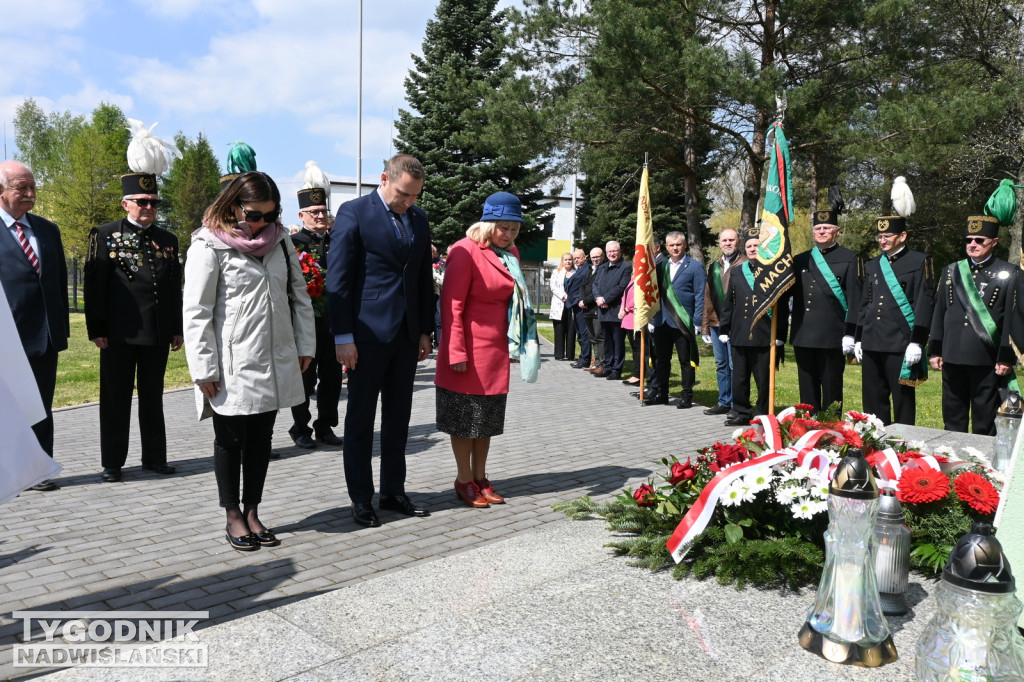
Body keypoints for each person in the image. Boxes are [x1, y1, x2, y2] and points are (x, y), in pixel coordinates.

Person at [183, 171, 315, 551]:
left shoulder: (280, 241)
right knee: (230, 440)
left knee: (261, 438)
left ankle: (253, 509)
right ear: (232, 205)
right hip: (232, 362)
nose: (260, 224)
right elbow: (196, 312)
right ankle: (232, 514)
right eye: (253, 215)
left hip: (276, 357)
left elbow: (298, 295)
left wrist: (305, 345)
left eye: (269, 216)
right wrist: (204, 367)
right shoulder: (208, 245)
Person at [326, 154, 434, 528]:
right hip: (365, 335)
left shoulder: (419, 220)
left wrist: (424, 330)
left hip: (406, 336)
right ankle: (361, 498)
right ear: (385, 178)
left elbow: (422, 278)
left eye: (414, 196)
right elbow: (338, 281)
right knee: (360, 419)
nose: (409, 202)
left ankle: (393, 490)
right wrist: (343, 336)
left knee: (398, 418)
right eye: (404, 194)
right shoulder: (354, 212)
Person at [436, 192, 537, 507]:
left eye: (514, 229)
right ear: (488, 222)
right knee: (465, 420)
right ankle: (463, 479)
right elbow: (451, 306)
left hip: (495, 351)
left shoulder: (511, 254)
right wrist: (456, 352)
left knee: (487, 420)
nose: (508, 235)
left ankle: (481, 477)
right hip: (466, 349)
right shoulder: (465, 251)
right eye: (503, 228)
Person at [85, 170, 183, 483]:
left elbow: (172, 288)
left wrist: (176, 327)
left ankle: (155, 458)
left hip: (156, 331)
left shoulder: (168, 240)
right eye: (142, 201)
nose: (149, 207)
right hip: (118, 332)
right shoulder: (105, 234)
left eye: (154, 202)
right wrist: (97, 327)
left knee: (153, 397)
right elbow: (94, 284)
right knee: (116, 399)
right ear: (126, 203)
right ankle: (112, 462)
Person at [0, 161, 69, 492]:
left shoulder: (47, 229)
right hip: (7, 337)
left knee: (40, 404)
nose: (29, 194)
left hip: (44, 336)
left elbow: (57, 282)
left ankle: (39, 468)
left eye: (32, 187)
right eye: (20, 188)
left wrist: (61, 330)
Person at [929, 215, 1017, 434]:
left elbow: (1011, 319)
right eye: (969, 240)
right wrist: (935, 350)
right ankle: (953, 458)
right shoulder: (951, 270)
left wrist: (1005, 356)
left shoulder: (1009, 273)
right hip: (952, 355)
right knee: (952, 415)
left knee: (984, 417)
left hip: (985, 357)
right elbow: (940, 312)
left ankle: (981, 464)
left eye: (979, 240)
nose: (973, 245)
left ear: (994, 242)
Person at [855, 216, 935, 425]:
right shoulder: (873, 264)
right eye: (880, 236)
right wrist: (858, 337)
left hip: (900, 341)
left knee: (902, 400)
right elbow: (866, 303)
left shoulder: (919, 261)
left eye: (888, 236)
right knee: (872, 399)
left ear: (902, 236)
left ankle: (903, 443)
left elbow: (924, 303)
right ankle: (875, 441)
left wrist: (917, 341)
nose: (883, 241)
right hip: (872, 339)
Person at [785, 209, 862, 413]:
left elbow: (855, 300)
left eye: (826, 228)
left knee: (832, 389)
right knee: (807, 392)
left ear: (836, 231)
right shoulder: (800, 259)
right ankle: (808, 428)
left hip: (832, 336)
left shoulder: (850, 258)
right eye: (817, 228)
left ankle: (832, 431)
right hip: (803, 335)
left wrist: (850, 333)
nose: (821, 232)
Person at [288, 186, 344, 449]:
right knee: (305, 379)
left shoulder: (338, 241)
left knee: (332, 379)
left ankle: (326, 426)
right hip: (306, 325)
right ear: (302, 215)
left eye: (323, 211)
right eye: (314, 212)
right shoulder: (292, 243)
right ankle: (300, 428)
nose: (320, 216)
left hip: (335, 323)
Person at [719, 235, 787, 426]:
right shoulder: (738, 271)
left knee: (763, 379)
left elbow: (781, 306)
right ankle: (741, 411)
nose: (752, 249)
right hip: (740, 331)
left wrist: (780, 333)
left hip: (764, 334)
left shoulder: (773, 272)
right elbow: (729, 302)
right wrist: (724, 328)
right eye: (749, 246)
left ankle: (763, 412)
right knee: (739, 377)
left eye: (756, 245)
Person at [650, 231, 705, 408]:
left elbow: (700, 295)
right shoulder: (661, 267)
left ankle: (687, 396)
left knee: (685, 361)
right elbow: (653, 294)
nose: (675, 248)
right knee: (661, 360)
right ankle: (662, 393)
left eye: (678, 244)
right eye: (672, 245)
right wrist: (650, 316)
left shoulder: (695, 267)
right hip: (662, 321)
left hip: (683, 321)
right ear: (666, 247)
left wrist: (697, 321)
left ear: (685, 245)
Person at [700, 228, 744, 415]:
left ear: (738, 241)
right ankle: (724, 401)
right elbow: (708, 297)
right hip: (717, 323)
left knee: (736, 366)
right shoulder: (714, 265)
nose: (728, 243)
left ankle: (737, 404)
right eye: (724, 240)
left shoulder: (745, 263)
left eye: (731, 240)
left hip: (736, 323)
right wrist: (705, 327)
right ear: (720, 243)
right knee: (721, 364)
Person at [591, 241, 632, 380]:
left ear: (619, 252)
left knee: (618, 341)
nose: (612, 254)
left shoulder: (626, 267)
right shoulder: (602, 267)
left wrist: (605, 299)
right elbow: (595, 284)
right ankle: (608, 367)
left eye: (614, 251)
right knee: (607, 341)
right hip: (603, 310)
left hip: (615, 310)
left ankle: (616, 369)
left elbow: (621, 287)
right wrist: (598, 298)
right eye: (609, 252)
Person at [580, 247, 605, 370]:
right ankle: (595, 361)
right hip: (586, 309)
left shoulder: (603, 269)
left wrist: (585, 301)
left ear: (602, 257)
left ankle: (601, 362)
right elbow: (583, 286)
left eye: (597, 256)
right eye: (593, 257)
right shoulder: (589, 269)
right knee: (592, 337)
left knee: (599, 335)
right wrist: (581, 300)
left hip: (596, 308)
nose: (595, 259)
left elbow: (597, 290)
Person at [565, 249, 591, 367]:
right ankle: (583, 357)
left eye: (578, 258)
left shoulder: (587, 269)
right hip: (574, 304)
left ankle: (585, 359)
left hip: (580, 304)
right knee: (580, 332)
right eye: (574, 258)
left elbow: (583, 287)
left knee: (583, 333)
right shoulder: (578, 270)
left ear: (584, 257)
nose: (576, 260)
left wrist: (578, 300)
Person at [549, 252, 576, 361]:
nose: (568, 261)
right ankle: (559, 354)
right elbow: (553, 286)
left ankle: (570, 355)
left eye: (570, 259)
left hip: (572, 305)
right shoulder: (556, 272)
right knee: (559, 329)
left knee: (571, 329)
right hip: (559, 303)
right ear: (562, 261)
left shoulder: (576, 272)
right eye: (566, 259)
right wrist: (564, 295)